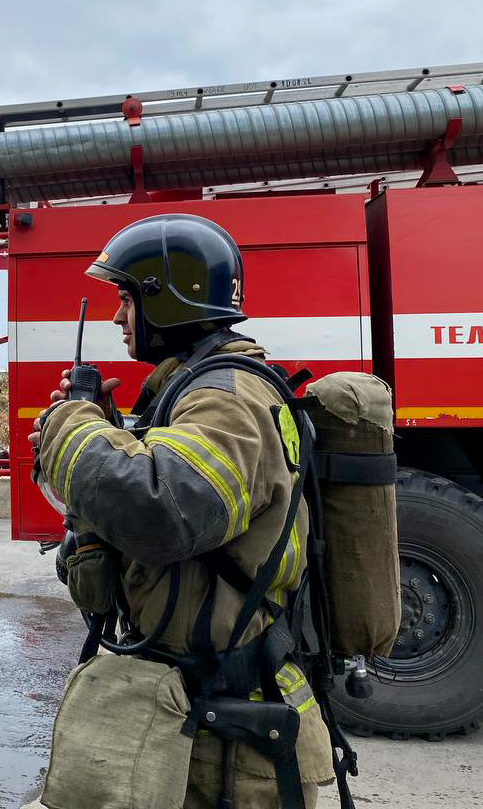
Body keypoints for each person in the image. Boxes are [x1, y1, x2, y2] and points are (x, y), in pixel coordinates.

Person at [31, 213, 334, 808]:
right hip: (205, 719)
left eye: (126, 298)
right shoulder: (201, 389)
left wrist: (75, 427)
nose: (118, 315)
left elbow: (163, 510)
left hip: (230, 749)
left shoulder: (227, 397)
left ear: (166, 299)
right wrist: (113, 434)